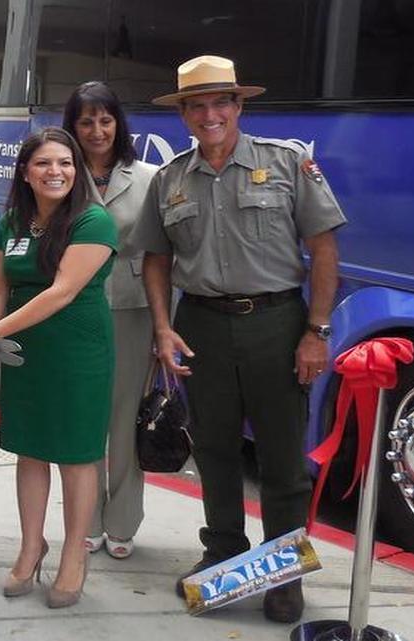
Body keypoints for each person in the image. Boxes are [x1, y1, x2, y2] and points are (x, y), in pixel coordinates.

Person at [128, 54, 347, 623]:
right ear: (183, 114)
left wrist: (316, 332)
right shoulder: (171, 177)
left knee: (280, 457)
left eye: (219, 102)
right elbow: (156, 258)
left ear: (238, 105)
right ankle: (223, 553)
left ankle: (284, 572)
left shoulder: (287, 163)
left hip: (276, 325)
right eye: (195, 105)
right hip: (201, 325)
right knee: (215, 449)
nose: (209, 114)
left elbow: (324, 249)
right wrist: (162, 325)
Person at [0, 127, 117, 609]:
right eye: (44, 163)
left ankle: (73, 556)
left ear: (77, 170)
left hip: (78, 351)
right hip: (24, 350)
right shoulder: (14, 222)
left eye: (65, 163)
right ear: (26, 172)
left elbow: (61, 291)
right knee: (30, 449)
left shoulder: (93, 221)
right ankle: (31, 546)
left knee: (76, 453)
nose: (56, 172)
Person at [61, 82, 156, 560]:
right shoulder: (60, 173)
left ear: (118, 124)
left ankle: (121, 519)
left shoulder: (150, 177)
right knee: (81, 416)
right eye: (85, 121)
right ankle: (86, 518)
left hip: (132, 308)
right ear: (72, 127)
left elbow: (164, 256)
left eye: (105, 120)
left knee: (123, 419)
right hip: (73, 306)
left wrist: (165, 326)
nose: (97, 131)